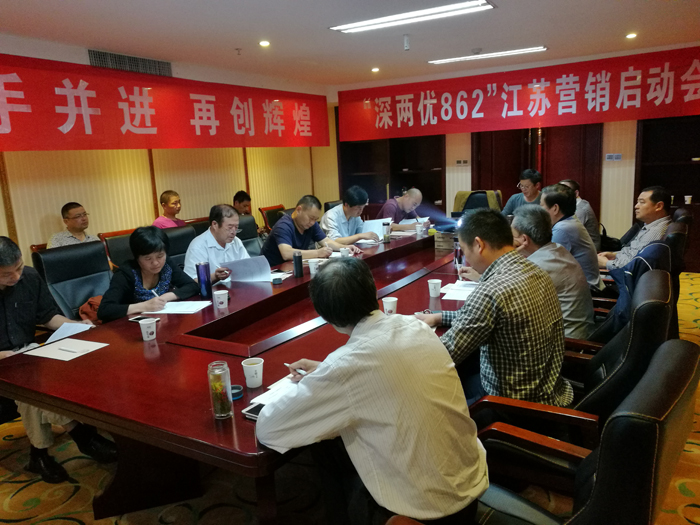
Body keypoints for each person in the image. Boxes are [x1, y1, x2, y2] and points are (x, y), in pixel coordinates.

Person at [256, 258, 488, 525]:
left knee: (324, 443)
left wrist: (328, 376)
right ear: (373, 290)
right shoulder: (416, 327)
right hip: (471, 489)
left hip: (421, 514)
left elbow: (268, 429)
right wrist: (326, 372)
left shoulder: (345, 366)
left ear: (327, 317)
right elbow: (384, 368)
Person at [416, 209, 572, 407]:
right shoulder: (535, 270)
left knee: (426, 392)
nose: (467, 259)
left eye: (464, 250)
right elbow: (484, 316)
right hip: (547, 389)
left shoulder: (491, 291)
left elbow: (442, 354)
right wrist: (439, 317)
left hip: (512, 405)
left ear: (479, 245)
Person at [0, 237, 116, 483]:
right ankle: (82, 437)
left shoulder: (30, 277)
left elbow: (48, 316)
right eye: (7, 274)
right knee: (30, 387)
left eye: (18, 268)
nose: (16, 277)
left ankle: (39, 455)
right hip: (3, 361)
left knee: (38, 380)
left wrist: (76, 326)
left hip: (26, 354)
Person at [512, 205, 595, 339]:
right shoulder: (556, 249)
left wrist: (508, 256)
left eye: (512, 236)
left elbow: (509, 300)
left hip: (568, 343)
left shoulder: (537, 267)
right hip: (578, 331)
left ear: (524, 240)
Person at [98, 227, 198, 322]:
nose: (155, 263)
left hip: (161, 321)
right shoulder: (126, 273)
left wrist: (165, 298)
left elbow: (192, 286)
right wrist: (144, 306)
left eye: (160, 256)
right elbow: (104, 310)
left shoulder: (166, 264)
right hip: (130, 326)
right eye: (148, 258)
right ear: (137, 257)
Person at [261, 195, 360, 267]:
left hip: (293, 268)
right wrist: (317, 253)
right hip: (273, 272)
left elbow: (326, 241)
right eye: (311, 218)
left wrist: (345, 247)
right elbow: (286, 253)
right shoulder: (284, 226)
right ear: (299, 210)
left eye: (315, 219)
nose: (313, 222)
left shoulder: (311, 224)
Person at [541, 184, 603, 292]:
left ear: (555, 208)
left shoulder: (562, 229)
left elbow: (547, 267)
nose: (539, 211)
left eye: (542, 206)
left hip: (586, 291)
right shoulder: (570, 220)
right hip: (582, 286)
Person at [598, 186, 672, 270]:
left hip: (623, 273)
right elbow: (632, 252)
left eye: (642, 202)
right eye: (637, 202)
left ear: (658, 206)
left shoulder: (656, 231)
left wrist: (605, 263)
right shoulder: (650, 225)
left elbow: (634, 265)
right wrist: (614, 255)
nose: (636, 206)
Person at [184, 204, 249, 284]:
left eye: (236, 227)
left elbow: (247, 266)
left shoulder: (236, 241)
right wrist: (215, 276)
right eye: (229, 228)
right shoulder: (198, 246)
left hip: (236, 287)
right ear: (215, 224)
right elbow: (191, 282)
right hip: (212, 290)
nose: (233, 232)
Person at [559, 179, 601, 250]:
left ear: (576, 193)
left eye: (564, 191)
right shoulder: (570, 206)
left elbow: (570, 233)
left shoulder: (581, 209)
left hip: (589, 250)